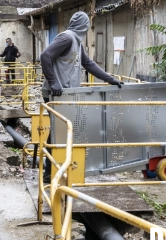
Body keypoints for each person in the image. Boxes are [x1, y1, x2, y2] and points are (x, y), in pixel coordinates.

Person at [40, 11, 122, 183]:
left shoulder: (77, 43)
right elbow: (45, 56)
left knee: (63, 131)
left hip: (66, 95)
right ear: (84, 25)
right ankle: (49, 173)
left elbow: (88, 64)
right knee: (58, 132)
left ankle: (58, 168)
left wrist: (110, 79)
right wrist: (53, 82)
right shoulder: (67, 38)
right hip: (56, 94)